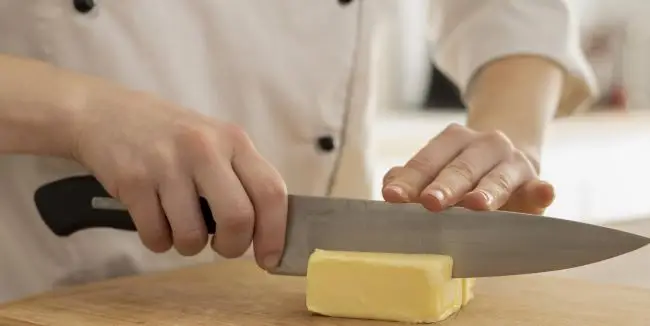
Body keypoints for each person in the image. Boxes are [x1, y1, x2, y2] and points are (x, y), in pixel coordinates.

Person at [0, 0, 595, 303]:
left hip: (327, 300)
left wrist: (507, 137)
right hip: (45, 289)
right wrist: (79, 111)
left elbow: (511, 11)